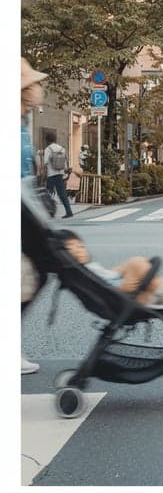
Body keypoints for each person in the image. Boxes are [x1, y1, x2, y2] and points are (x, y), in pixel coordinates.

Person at [56, 230, 163, 307]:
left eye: (80, 246)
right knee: (136, 263)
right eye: (71, 249)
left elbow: (109, 273)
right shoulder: (82, 271)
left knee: (136, 262)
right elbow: (105, 280)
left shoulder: (86, 267)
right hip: (115, 289)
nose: (79, 251)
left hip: (112, 282)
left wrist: (123, 269)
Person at [21, 57, 49, 374]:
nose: (37, 89)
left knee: (33, 276)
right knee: (31, 276)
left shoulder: (23, 122)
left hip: (25, 212)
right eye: (31, 85)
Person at [43, 131, 74, 218]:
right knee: (62, 194)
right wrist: (66, 172)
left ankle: (50, 211)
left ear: (47, 140)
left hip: (51, 174)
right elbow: (65, 163)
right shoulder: (62, 149)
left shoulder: (48, 149)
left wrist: (43, 174)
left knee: (48, 193)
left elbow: (45, 162)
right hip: (60, 174)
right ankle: (69, 211)